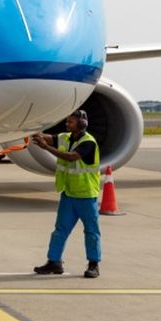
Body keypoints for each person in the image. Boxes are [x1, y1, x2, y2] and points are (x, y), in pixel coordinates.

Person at [31, 109, 102, 279]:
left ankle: (94, 264)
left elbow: (71, 157)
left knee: (91, 232)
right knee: (59, 230)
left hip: (86, 195)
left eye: (70, 122)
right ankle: (54, 262)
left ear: (81, 124)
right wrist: (32, 131)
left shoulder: (88, 142)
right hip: (69, 194)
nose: (67, 124)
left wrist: (45, 147)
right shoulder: (66, 137)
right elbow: (49, 137)